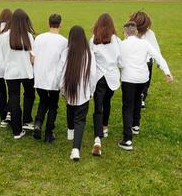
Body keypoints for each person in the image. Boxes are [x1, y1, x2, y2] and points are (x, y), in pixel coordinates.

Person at [118, 21, 173, 150]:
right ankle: (135, 125)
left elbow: (118, 62)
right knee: (138, 100)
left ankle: (127, 139)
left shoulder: (122, 44)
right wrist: (167, 72)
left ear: (125, 33)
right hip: (142, 78)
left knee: (127, 107)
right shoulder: (145, 43)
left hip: (128, 78)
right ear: (136, 32)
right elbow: (157, 56)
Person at [60, 25, 96, 161]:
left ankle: (70, 131)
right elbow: (93, 74)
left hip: (70, 88)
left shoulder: (66, 52)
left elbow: (61, 72)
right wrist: (91, 91)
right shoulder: (89, 53)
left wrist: (62, 89)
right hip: (84, 91)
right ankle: (75, 149)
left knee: (70, 108)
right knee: (80, 120)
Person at [0, 9, 36, 139]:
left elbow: (4, 55)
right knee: (29, 95)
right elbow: (33, 57)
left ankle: (17, 130)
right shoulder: (29, 36)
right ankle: (26, 119)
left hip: (11, 72)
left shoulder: (4, 36)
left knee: (14, 99)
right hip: (26, 71)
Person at [89, 13, 121, 156]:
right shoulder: (117, 41)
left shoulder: (93, 40)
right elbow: (120, 60)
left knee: (98, 106)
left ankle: (97, 138)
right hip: (112, 78)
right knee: (107, 102)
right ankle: (104, 127)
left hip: (98, 77)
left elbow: (90, 61)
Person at [33, 13, 67, 143]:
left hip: (40, 76)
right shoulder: (64, 41)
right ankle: (48, 133)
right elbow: (64, 62)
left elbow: (33, 56)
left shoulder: (39, 38)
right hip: (54, 78)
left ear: (48, 24)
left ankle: (38, 123)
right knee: (53, 105)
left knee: (43, 101)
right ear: (60, 24)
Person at [129, 11, 161, 109]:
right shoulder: (131, 32)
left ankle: (141, 98)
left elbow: (155, 48)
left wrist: (159, 61)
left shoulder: (150, 33)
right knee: (142, 80)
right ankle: (139, 97)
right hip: (137, 60)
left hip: (146, 61)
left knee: (145, 81)